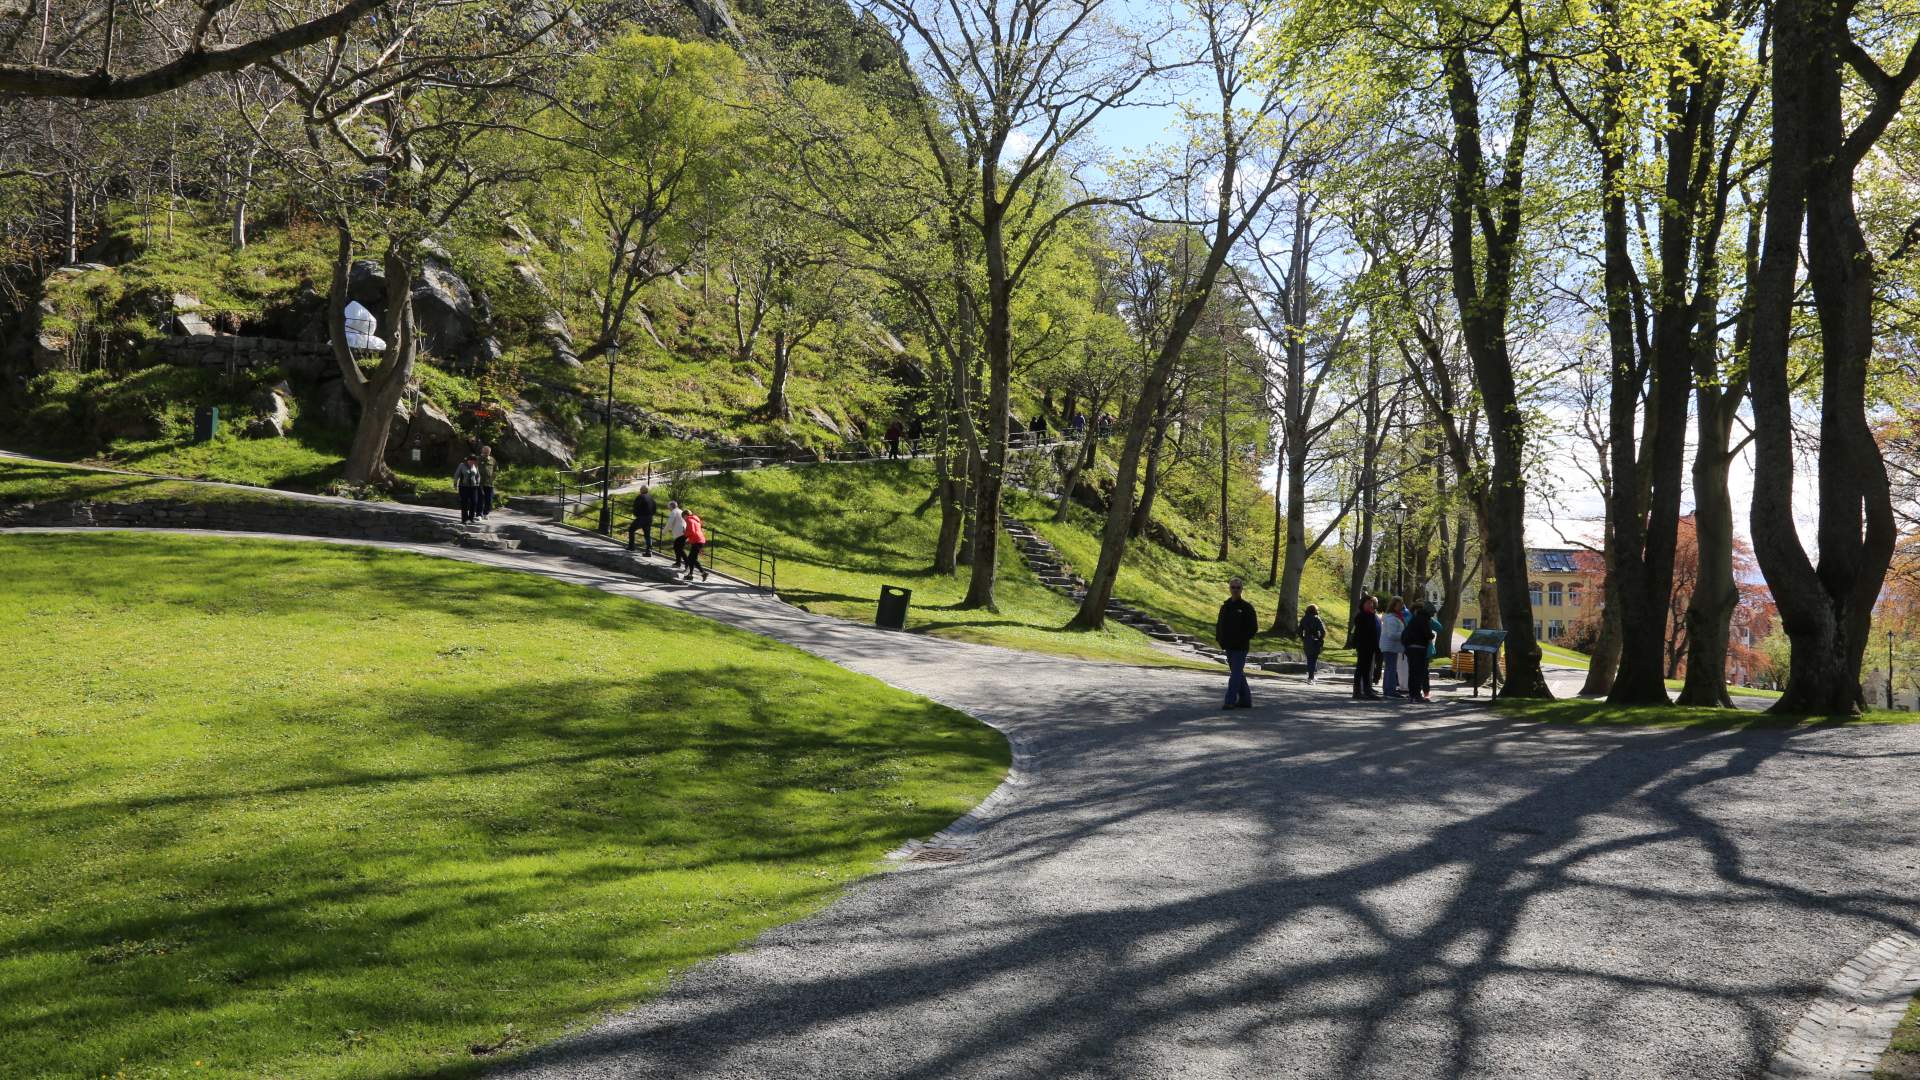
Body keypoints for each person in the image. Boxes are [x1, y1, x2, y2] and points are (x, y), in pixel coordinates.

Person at [1215, 578, 1258, 709]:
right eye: (1233, 587)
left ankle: (1230, 701)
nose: (1235, 590)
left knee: (1235, 674)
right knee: (1237, 673)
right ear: (1229, 588)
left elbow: (1253, 628)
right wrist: (1220, 639)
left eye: (1238, 588)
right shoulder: (1225, 606)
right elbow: (1220, 624)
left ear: (1241, 589)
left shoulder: (1246, 607)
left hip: (1240, 647)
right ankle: (1246, 700)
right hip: (1228, 646)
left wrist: (1243, 639)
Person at [1401, 600, 1436, 703]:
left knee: (1412, 672)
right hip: (1419, 648)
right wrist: (1432, 635)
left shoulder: (1415, 618)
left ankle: (1412, 695)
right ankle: (1416, 695)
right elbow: (1427, 633)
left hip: (1410, 648)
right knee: (1418, 673)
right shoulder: (1424, 619)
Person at [1351, 595, 1381, 700]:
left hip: (1371, 645)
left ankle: (1367, 690)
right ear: (1363, 604)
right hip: (1363, 645)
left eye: (1371, 603)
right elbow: (1361, 632)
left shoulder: (1371, 615)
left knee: (1367, 669)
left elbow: (1374, 632)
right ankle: (1357, 691)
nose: (1370, 605)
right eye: (1368, 603)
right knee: (1360, 668)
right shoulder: (1360, 616)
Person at [1380, 596, 1406, 697]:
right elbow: (1392, 634)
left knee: (1390, 668)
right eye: (1399, 605)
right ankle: (1390, 690)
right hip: (1390, 647)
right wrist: (1404, 634)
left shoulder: (1395, 617)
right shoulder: (1392, 618)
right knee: (1391, 668)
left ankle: (1388, 689)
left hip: (1391, 647)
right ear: (1393, 606)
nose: (1401, 607)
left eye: (1402, 604)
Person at [626, 484, 658, 556]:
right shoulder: (651, 498)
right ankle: (649, 551)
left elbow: (635, 506)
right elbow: (654, 509)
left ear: (642, 490)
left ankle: (631, 546)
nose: (639, 490)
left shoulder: (640, 497)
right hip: (649, 518)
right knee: (647, 534)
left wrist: (636, 514)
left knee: (631, 529)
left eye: (640, 489)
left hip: (642, 517)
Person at [681, 506, 710, 582]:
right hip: (699, 540)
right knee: (692, 558)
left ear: (685, 515)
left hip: (697, 541)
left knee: (691, 558)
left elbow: (692, 531)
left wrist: (685, 533)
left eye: (683, 517)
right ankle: (691, 574)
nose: (683, 519)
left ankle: (703, 573)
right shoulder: (695, 520)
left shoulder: (689, 520)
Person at [1301, 603, 1327, 682]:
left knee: (1309, 658)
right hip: (1315, 640)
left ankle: (1310, 676)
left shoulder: (1304, 619)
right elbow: (1323, 631)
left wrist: (1303, 638)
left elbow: (1299, 631)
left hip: (1307, 640)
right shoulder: (1317, 618)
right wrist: (1320, 639)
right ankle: (1311, 677)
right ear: (1315, 610)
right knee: (1314, 658)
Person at [454, 453, 483, 524]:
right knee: (464, 503)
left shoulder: (475, 466)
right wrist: (455, 484)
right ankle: (464, 519)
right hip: (464, 487)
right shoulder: (462, 465)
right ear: (468, 460)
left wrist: (478, 482)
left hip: (473, 487)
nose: (472, 462)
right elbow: (456, 475)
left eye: (474, 460)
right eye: (471, 460)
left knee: (474, 502)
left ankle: (471, 518)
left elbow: (478, 475)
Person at [666, 499, 688, 572]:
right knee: (677, 548)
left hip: (680, 533)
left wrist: (664, 531)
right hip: (683, 532)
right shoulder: (680, 511)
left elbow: (669, 523)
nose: (668, 508)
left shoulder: (674, 512)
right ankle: (678, 563)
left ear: (671, 506)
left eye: (669, 507)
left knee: (679, 549)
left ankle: (686, 563)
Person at [476, 445, 498, 518]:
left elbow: (495, 470)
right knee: (480, 497)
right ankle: (479, 514)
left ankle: (486, 513)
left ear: (489, 452)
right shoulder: (478, 459)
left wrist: (493, 478)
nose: (486, 453)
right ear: (482, 451)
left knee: (489, 499)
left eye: (487, 452)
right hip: (479, 482)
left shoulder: (492, 460)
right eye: (484, 452)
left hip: (489, 483)